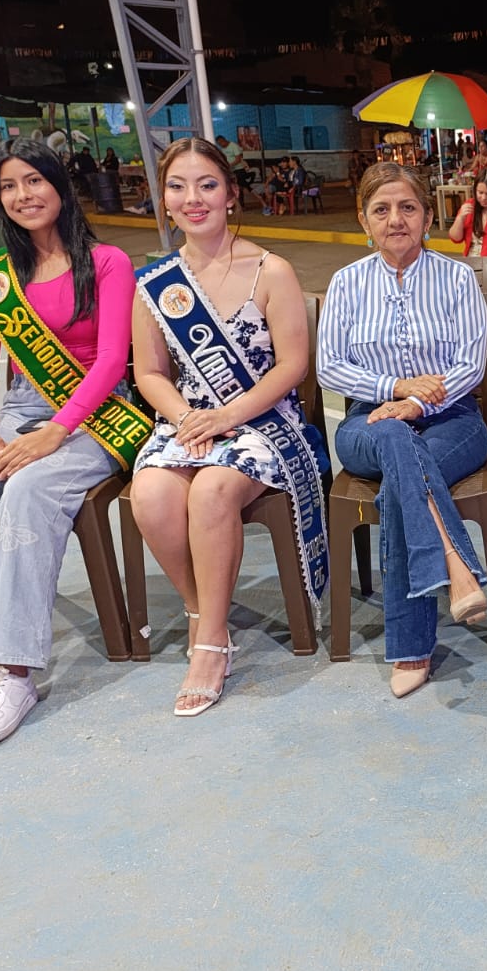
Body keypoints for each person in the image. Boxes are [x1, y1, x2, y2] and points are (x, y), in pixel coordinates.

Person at [0, 139, 137, 749]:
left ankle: (12, 671)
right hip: (19, 409)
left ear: (60, 185)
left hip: (96, 415)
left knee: (30, 490)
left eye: (34, 180)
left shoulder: (108, 262)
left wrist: (57, 432)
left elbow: (111, 360)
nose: (23, 195)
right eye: (8, 186)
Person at [130, 138, 325, 717]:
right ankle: (202, 612)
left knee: (213, 489)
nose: (193, 198)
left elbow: (292, 366)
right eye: (178, 187)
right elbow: (148, 373)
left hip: (263, 421)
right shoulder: (156, 282)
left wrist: (227, 416)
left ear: (231, 194)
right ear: (165, 199)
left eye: (207, 185)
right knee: (151, 493)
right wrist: (187, 419)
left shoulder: (272, 270)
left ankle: (211, 646)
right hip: (188, 420)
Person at [318, 163, 487, 698]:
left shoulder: (457, 278)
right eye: (382, 209)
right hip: (365, 422)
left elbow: (470, 366)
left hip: (453, 420)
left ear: (427, 216)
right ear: (364, 220)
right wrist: (394, 388)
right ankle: (458, 567)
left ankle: (412, 645)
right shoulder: (347, 283)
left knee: (401, 473)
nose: (395, 219)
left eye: (408, 208)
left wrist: (415, 404)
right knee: (394, 439)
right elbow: (329, 366)